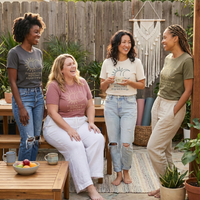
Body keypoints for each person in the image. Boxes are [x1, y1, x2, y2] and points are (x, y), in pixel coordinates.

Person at [43, 54, 105, 200]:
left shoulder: (82, 82)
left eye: (74, 63)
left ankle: (87, 176)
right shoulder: (54, 85)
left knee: (98, 139)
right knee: (76, 146)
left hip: (81, 122)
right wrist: (69, 129)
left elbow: (90, 105)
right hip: (57, 125)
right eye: (69, 64)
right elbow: (52, 112)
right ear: (61, 69)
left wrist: (91, 122)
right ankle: (90, 188)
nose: (73, 66)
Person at [147, 24, 194, 198]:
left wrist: (174, 111)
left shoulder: (187, 60)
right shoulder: (168, 58)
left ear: (176, 38)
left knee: (153, 147)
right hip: (159, 103)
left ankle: (171, 187)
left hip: (173, 106)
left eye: (165, 37)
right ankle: (167, 187)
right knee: (165, 150)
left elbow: (188, 90)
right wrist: (158, 105)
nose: (162, 41)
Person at [100, 30, 145, 186]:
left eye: (129, 42)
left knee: (126, 142)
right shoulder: (107, 63)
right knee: (113, 142)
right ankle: (118, 173)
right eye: (124, 42)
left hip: (129, 104)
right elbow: (102, 87)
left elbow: (142, 84)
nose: (127, 45)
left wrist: (129, 83)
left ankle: (127, 171)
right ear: (117, 44)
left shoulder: (136, 62)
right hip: (111, 103)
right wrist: (108, 80)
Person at [7, 13, 46, 161]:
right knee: (28, 139)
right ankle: (22, 174)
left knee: (36, 139)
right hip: (23, 97)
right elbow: (12, 82)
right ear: (25, 33)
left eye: (39, 32)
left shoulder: (38, 53)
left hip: (38, 98)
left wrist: (43, 102)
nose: (38, 35)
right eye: (36, 32)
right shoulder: (14, 53)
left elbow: (39, 80)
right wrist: (21, 106)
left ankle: (31, 170)